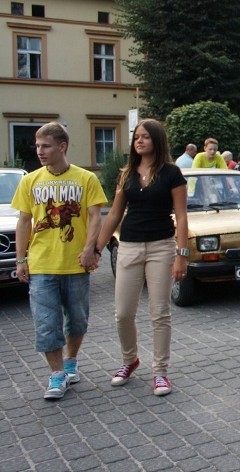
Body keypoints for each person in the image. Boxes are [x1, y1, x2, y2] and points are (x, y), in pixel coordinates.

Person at [11, 122, 107, 400]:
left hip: (75, 264)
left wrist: (90, 249)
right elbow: (24, 221)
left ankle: (70, 361)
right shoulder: (30, 180)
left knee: (77, 321)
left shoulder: (85, 179)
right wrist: (20, 259)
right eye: (37, 146)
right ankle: (56, 374)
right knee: (45, 323)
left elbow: (94, 217)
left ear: (62, 146)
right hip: (41, 265)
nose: (39, 151)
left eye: (46, 146)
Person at [96, 118, 188, 397]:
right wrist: (96, 248)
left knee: (159, 312)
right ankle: (129, 360)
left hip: (161, 246)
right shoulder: (127, 173)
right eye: (136, 136)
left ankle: (160, 372)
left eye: (145, 136)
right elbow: (114, 213)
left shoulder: (172, 173)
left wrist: (181, 255)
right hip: (129, 247)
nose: (139, 141)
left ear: (157, 140)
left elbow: (182, 216)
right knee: (123, 313)